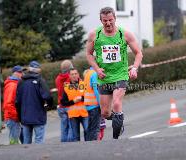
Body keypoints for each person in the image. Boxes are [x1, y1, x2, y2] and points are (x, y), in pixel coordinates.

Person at [86, 7, 143, 139]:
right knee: (105, 113)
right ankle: (119, 121)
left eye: (110, 20)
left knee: (117, 103)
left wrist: (134, 68)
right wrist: (96, 69)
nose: (108, 23)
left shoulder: (125, 34)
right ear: (101, 20)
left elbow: (138, 53)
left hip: (121, 75)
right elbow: (88, 54)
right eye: (105, 20)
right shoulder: (95, 35)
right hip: (104, 77)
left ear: (115, 18)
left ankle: (115, 139)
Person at [16, 61, 53, 144]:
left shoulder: (21, 82)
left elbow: (17, 101)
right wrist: (49, 106)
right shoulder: (40, 80)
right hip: (38, 116)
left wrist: (20, 116)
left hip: (25, 117)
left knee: (26, 142)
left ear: (29, 69)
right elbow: (47, 96)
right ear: (38, 70)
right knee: (39, 141)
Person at [61, 68, 88, 142]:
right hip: (73, 115)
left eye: (75, 74)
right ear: (69, 76)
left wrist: (82, 98)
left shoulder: (84, 84)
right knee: (75, 136)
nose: (74, 75)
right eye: (72, 74)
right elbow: (63, 102)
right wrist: (73, 101)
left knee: (87, 131)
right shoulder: (66, 87)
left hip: (85, 113)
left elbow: (90, 97)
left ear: (78, 74)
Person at [3, 65, 23, 144]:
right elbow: (8, 104)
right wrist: (17, 116)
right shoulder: (12, 85)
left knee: (14, 141)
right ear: (15, 73)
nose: (22, 74)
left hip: (12, 117)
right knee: (14, 143)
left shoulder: (15, 84)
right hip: (12, 118)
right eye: (20, 72)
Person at [55, 60, 73, 142]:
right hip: (69, 105)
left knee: (63, 126)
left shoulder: (58, 79)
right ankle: (70, 144)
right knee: (71, 126)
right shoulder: (70, 78)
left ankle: (63, 143)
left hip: (61, 106)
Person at [83, 67, 101, 141]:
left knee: (90, 128)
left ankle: (88, 145)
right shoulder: (94, 74)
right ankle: (92, 146)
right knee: (95, 129)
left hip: (89, 105)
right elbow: (96, 90)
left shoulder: (88, 73)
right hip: (94, 105)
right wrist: (101, 104)